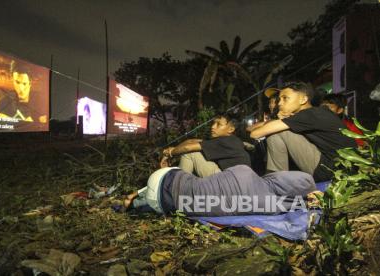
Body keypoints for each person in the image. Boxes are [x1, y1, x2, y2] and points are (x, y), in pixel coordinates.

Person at [250, 81, 357, 182]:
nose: (279, 103)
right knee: (281, 129)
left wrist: (281, 120)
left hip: (332, 170)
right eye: (279, 99)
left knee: (276, 132)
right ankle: (280, 180)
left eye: (285, 98)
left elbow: (255, 134)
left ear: (303, 100)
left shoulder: (309, 114)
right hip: (341, 168)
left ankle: (277, 182)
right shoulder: (314, 113)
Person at [124, 165, 316, 217]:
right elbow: (293, 205)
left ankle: (136, 194)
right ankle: (137, 203)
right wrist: (310, 200)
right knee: (180, 200)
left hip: (167, 174)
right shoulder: (267, 204)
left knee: (190, 185)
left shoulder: (245, 170)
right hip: (164, 200)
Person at [161, 114, 251, 177]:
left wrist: (170, 153)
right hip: (234, 182)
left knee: (191, 153)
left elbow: (187, 147)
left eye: (218, 124)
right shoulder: (231, 140)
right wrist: (171, 150)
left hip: (230, 185)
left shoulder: (226, 141)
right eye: (213, 123)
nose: (213, 126)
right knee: (194, 151)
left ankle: (179, 188)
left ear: (231, 129)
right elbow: (191, 141)